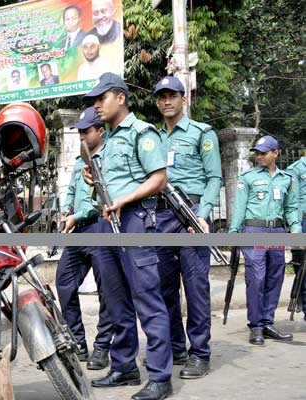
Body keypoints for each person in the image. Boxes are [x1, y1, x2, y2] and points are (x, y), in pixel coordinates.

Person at [82, 72, 173, 400]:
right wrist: (95, 186)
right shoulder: (105, 141)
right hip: (107, 223)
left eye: (100, 99)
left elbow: (158, 178)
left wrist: (125, 199)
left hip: (134, 221)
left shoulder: (141, 133)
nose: (96, 106)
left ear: (120, 97)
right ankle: (124, 366)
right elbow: (106, 188)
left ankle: (161, 376)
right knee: (115, 300)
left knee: (147, 298)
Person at [152, 76, 222, 379]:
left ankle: (200, 353)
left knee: (196, 288)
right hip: (161, 218)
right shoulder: (153, 138)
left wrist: (202, 213)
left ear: (184, 99)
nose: (167, 101)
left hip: (191, 215)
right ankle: (176, 346)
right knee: (164, 288)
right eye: (162, 97)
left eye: (172, 96)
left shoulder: (202, 134)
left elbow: (214, 178)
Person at [55, 107, 114, 371]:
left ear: (100, 131)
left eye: (86, 132)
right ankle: (78, 342)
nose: (82, 137)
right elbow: (71, 190)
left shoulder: (108, 158)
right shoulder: (81, 160)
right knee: (64, 283)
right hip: (78, 230)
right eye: (79, 132)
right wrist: (67, 210)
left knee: (108, 292)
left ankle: (102, 347)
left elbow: (101, 201)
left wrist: (76, 216)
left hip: (100, 228)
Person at [228, 135, 302, 345]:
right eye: (257, 153)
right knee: (257, 277)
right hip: (254, 231)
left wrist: (295, 228)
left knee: (275, 276)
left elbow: (291, 208)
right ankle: (256, 326)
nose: (259, 156)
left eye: (263, 153)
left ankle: (267, 322)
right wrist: (233, 233)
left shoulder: (286, 179)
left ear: (276, 153)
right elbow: (239, 207)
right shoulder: (248, 177)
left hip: (276, 232)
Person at [286, 153, 306, 321]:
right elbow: (292, 202)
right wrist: (296, 228)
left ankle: (299, 294)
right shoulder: (295, 170)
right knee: (302, 267)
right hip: (302, 222)